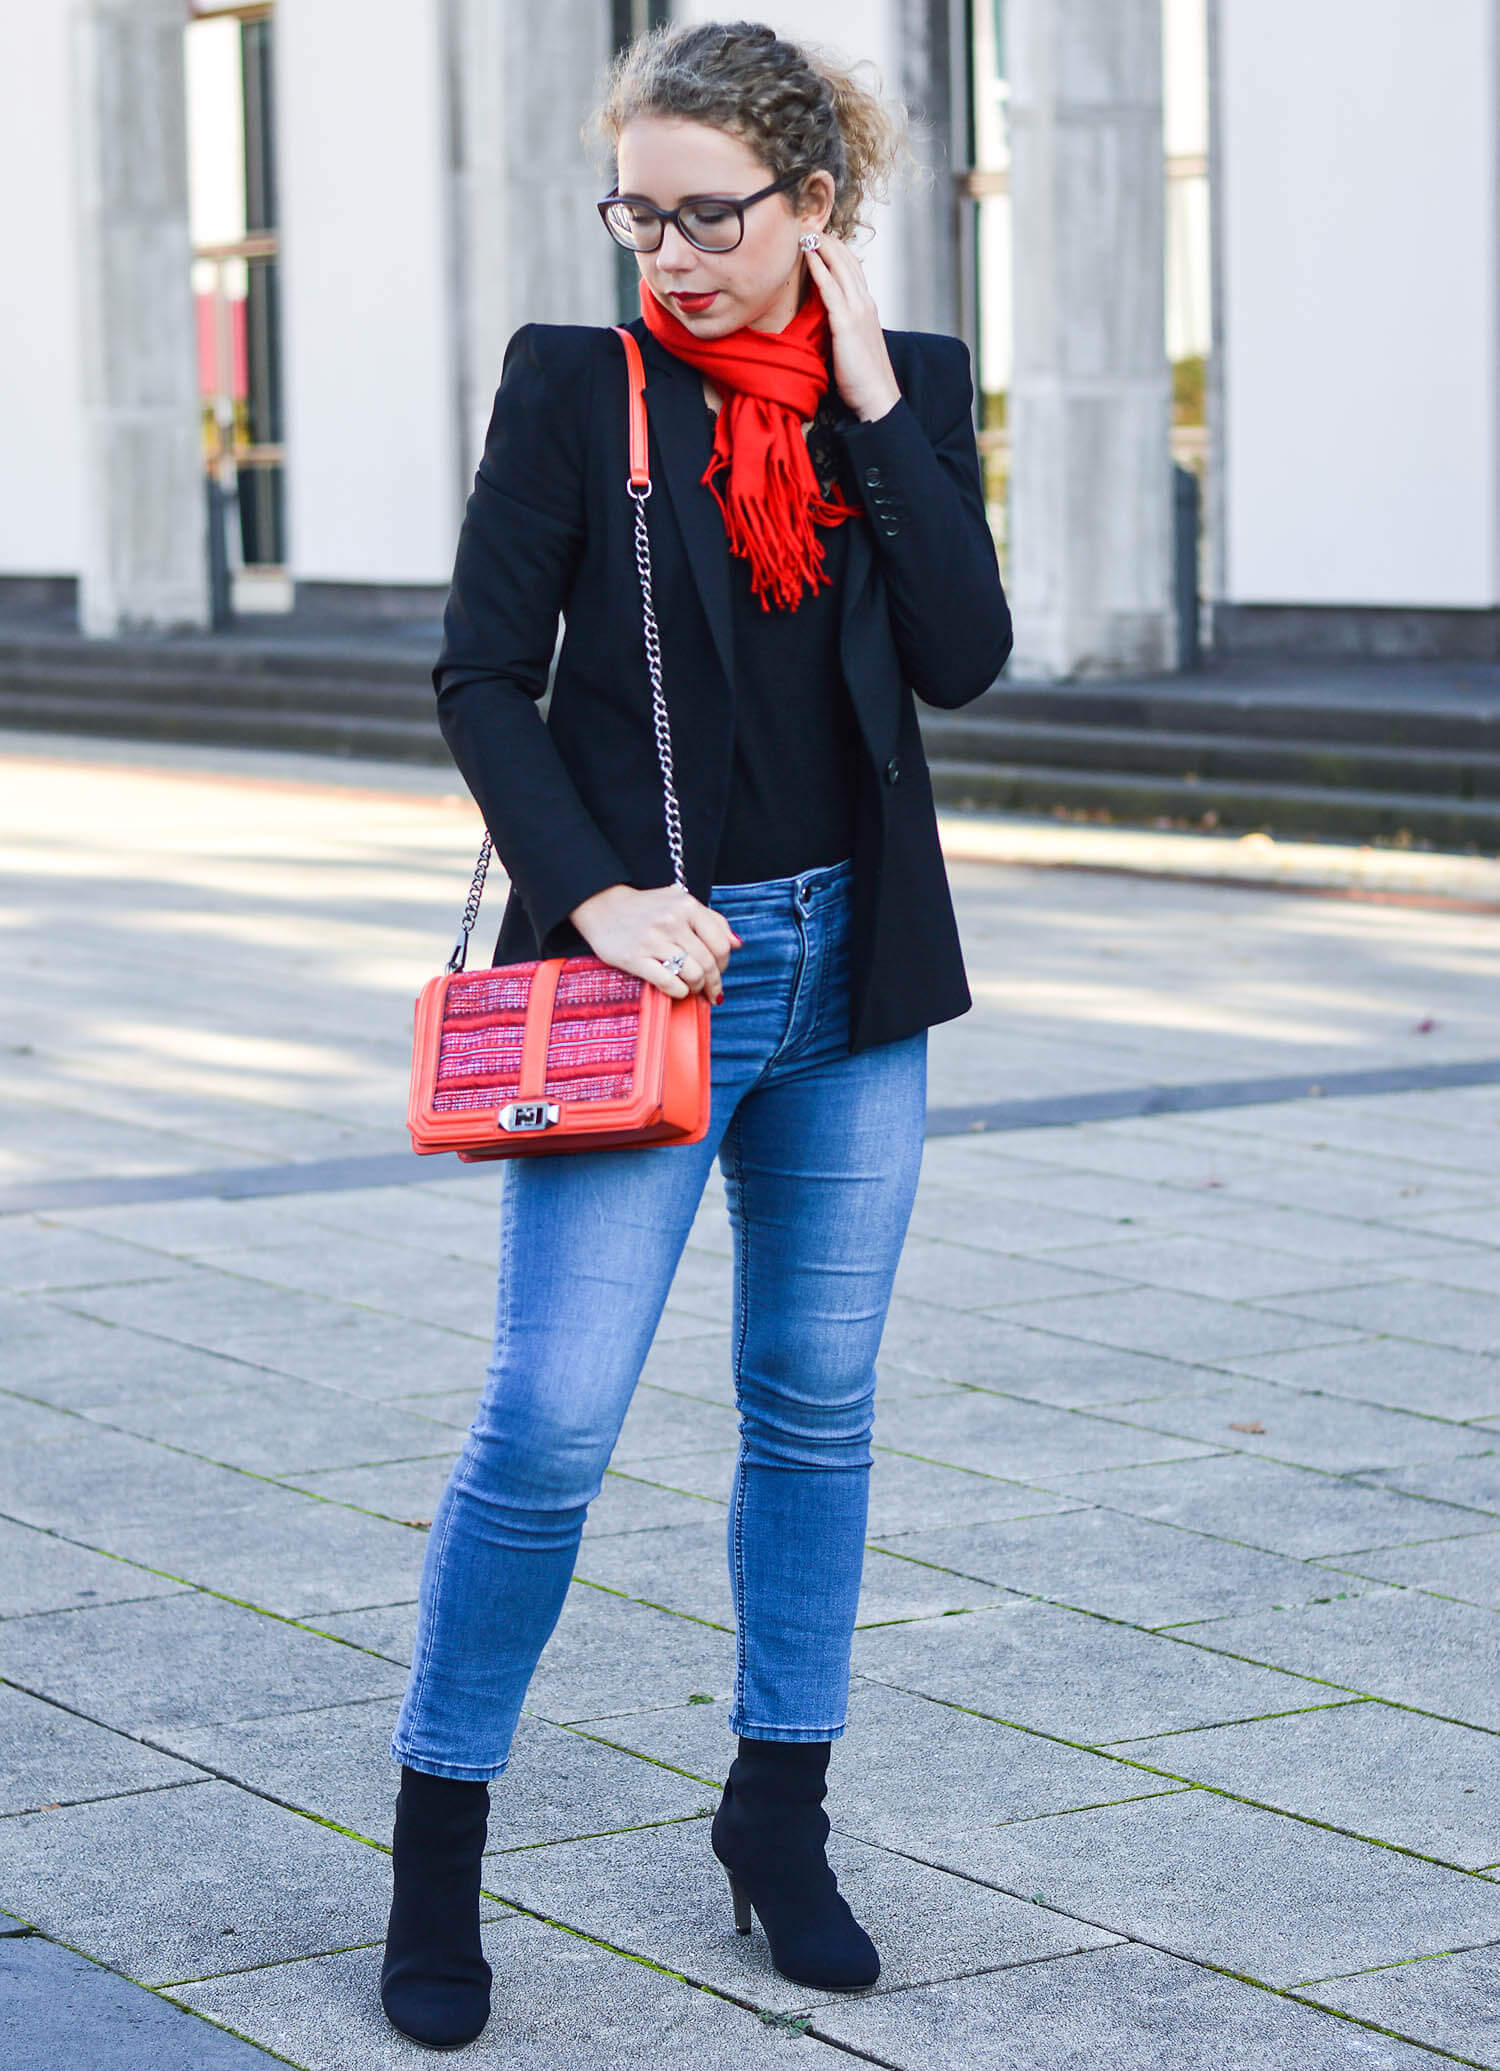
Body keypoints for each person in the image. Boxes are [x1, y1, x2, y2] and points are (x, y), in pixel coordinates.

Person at [379, 18, 1012, 2050]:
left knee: (814, 1401)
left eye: (707, 213)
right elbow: (483, 674)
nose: (664, 249)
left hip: (855, 979)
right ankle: (439, 1849)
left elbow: (967, 658)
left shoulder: (889, 408)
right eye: (635, 211)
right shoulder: (579, 390)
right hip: (647, 979)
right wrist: (596, 890)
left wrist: (885, 400)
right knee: (550, 1421)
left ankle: (779, 1813)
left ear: (813, 207)